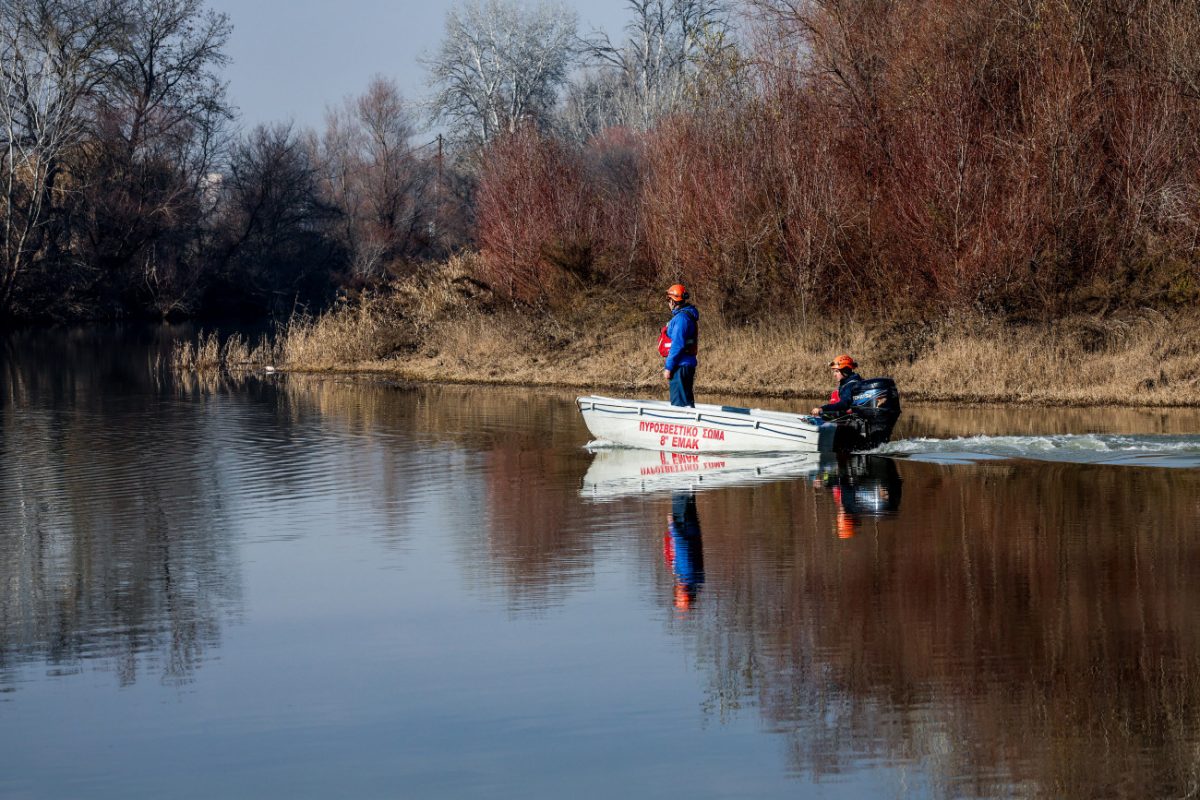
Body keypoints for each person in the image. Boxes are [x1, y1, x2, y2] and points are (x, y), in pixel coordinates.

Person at [661, 284, 698, 407]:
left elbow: (677, 345)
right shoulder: (685, 316)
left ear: (673, 301)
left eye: (669, 300)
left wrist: (669, 367)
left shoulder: (681, 318)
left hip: (680, 367)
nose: (668, 303)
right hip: (686, 365)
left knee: (679, 406)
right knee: (687, 404)